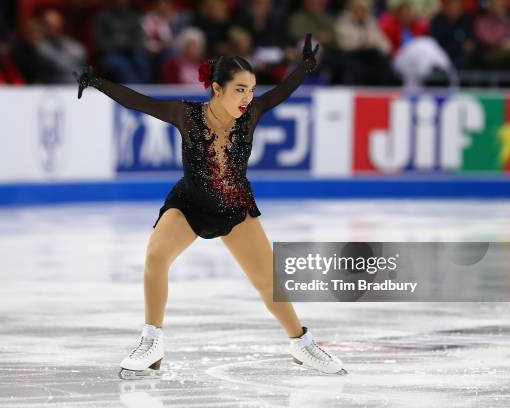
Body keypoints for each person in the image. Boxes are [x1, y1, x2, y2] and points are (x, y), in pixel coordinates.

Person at [73, 33, 347, 380]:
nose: (248, 98)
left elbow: (282, 91)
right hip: (188, 204)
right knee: (156, 257)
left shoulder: (252, 115)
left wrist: (305, 66)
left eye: (250, 89)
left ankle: (301, 344)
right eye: (239, 90)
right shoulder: (186, 116)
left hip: (234, 208)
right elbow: (138, 101)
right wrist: (97, 81)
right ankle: (152, 340)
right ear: (217, 88)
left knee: (267, 281)